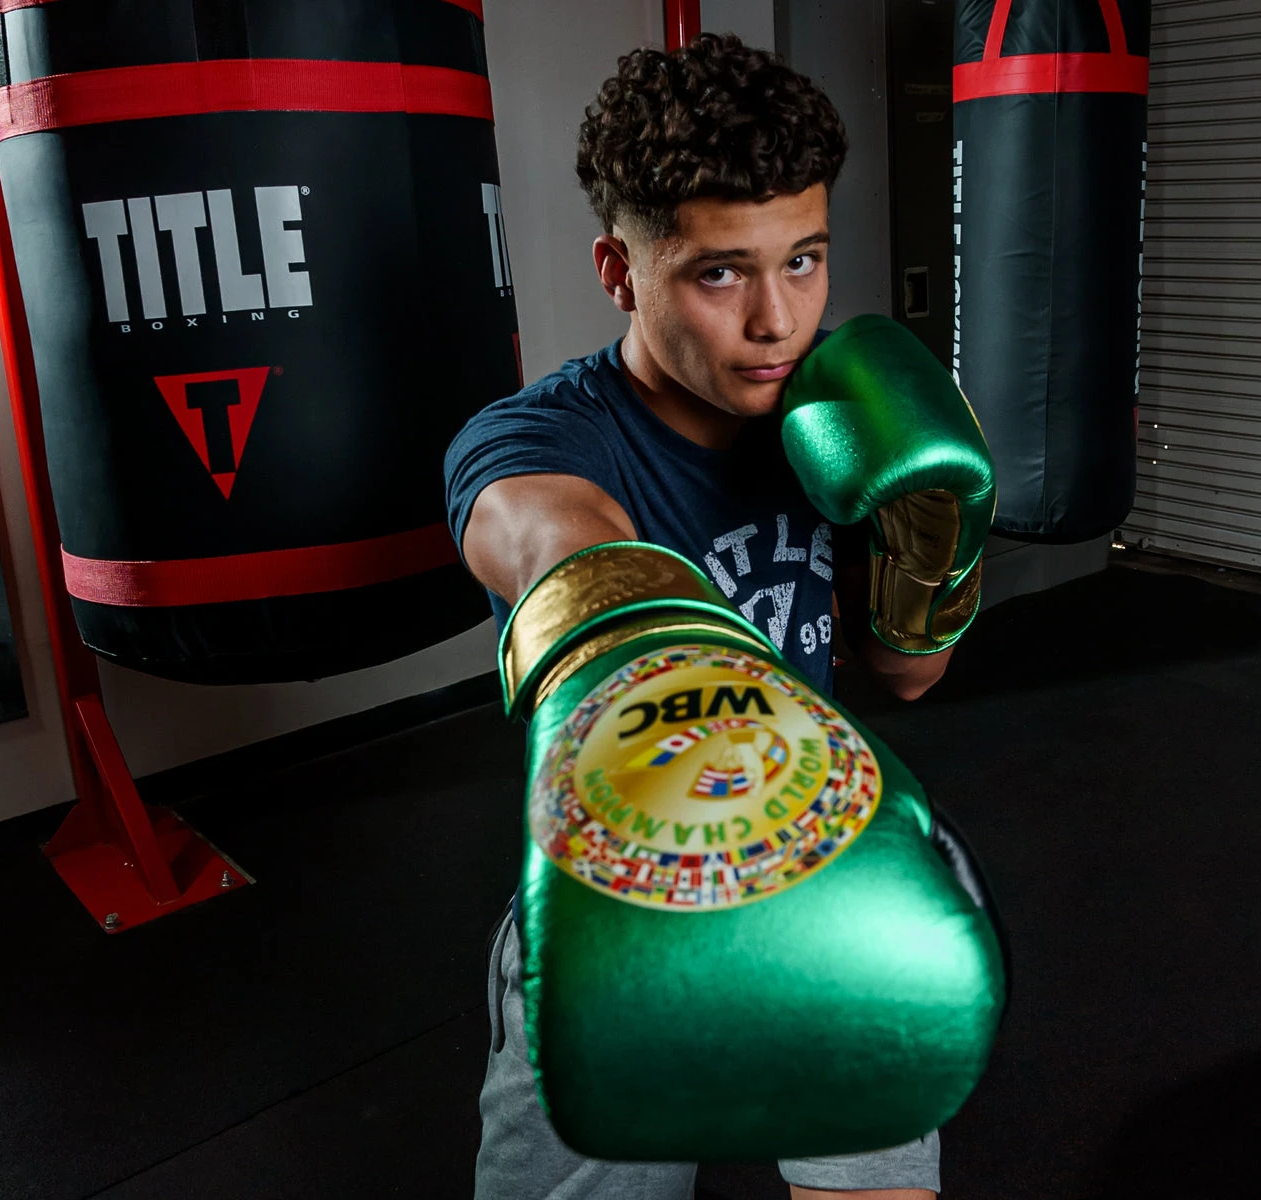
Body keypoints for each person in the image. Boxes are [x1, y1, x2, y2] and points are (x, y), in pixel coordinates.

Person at [445, 34, 958, 1199]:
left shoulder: (840, 420)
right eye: (721, 274)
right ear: (620, 271)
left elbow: (908, 677)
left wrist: (932, 549)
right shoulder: (538, 441)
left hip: (822, 876)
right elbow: (550, 540)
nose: (777, 320)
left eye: (805, 260)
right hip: (617, 910)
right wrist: (629, 617)